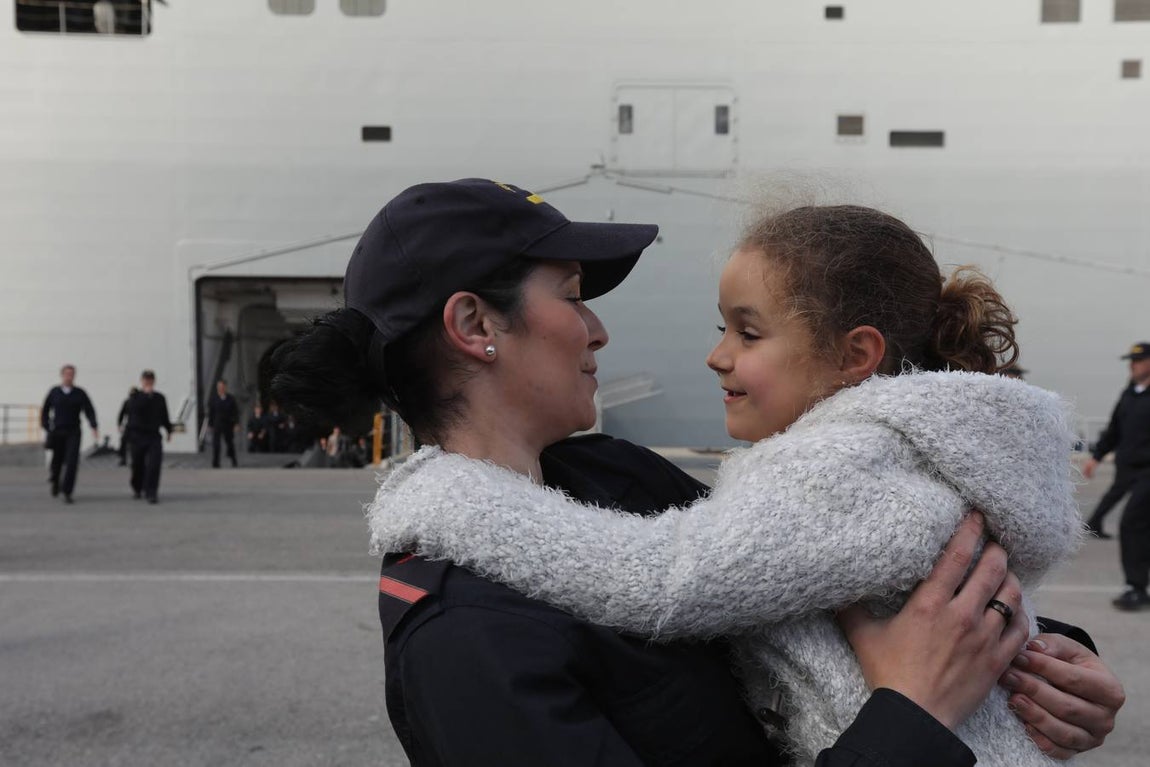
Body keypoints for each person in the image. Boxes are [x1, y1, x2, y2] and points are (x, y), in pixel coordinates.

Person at [269, 181, 1123, 766]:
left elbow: (824, 583)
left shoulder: (612, 477)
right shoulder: (465, 637)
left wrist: (1043, 667)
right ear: (474, 324)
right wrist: (912, 720)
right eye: (571, 294)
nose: (597, 329)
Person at [1082, 341, 1150, 609]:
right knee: (1136, 524)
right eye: (1131, 361)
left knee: (1132, 522)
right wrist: (1096, 457)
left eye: (1138, 360)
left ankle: (1135, 587)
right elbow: (1114, 430)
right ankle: (1135, 585)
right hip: (1127, 468)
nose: (1132, 365)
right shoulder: (1129, 394)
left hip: (1148, 471)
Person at [40, 364, 99, 504]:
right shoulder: (54, 392)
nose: (69, 376)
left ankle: (67, 491)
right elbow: (45, 410)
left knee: (72, 462)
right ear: (62, 375)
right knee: (57, 461)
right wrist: (47, 426)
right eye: (67, 374)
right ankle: (55, 480)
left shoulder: (80, 393)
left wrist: (94, 426)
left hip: (73, 432)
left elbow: (89, 409)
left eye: (72, 374)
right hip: (57, 431)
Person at [124, 369, 173, 504]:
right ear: (142, 381)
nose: (148, 382)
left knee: (154, 464)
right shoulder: (135, 396)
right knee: (137, 465)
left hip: (153, 435)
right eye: (146, 379)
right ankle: (137, 487)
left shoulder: (159, 398)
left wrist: (169, 430)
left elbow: (164, 415)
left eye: (150, 380)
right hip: (138, 435)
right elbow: (132, 409)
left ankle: (151, 492)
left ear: (154, 381)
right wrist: (145, 395)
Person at [207, 379, 240, 468]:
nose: (220, 388)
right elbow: (211, 412)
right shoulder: (213, 398)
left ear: (225, 387)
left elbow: (235, 412)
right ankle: (215, 463)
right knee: (216, 444)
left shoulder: (231, 398)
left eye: (222, 387)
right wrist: (210, 425)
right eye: (219, 387)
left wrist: (236, 423)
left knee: (230, 443)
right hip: (217, 424)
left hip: (228, 424)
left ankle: (234, 460)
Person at [116, 387, 138, 466]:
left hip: (139, 427)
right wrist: (119, 424)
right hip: (130, 426)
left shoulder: (140, 402)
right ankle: (123, 459)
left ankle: (135, 460)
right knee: (123, 441)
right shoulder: (127, 402)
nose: (133, 397)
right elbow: (122, 414)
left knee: (135, 444)